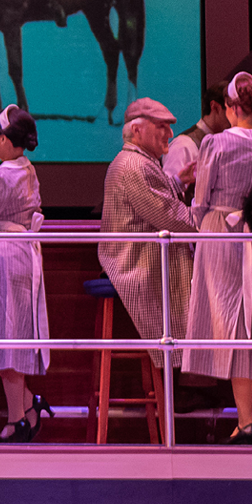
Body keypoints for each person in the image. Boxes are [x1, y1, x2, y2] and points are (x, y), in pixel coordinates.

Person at [184, 72, 252, 445]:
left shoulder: (215, 144)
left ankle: (246, 420)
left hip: (222, 232)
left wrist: (202, 227)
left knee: (232, 322)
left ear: (231, 107)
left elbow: (201, 200)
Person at [0, 106, 51, 441]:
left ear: (4, 138)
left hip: (5, 257)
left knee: (4, 336)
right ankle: (27, 405)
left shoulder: (1, 176)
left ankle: (18, 419)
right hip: (23, 256)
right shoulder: (27, 169)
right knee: (8, 335)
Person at [97, 99, 199, 372]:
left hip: (139, 257)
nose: (170, 134)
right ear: (138, 131)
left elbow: (158, 206)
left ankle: (194, 377)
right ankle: (193, 376)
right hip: (134, 263)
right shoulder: (135, 165)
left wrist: (178, 181)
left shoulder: (140, 162)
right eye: (162, 126)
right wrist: (216, 220)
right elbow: (171, 217)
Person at [163, 81, 228, 197]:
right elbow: (168, 196)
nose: (238, 116)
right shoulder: (184, 145)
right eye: (232, 109)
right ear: (215, 107)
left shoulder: (227, 143)